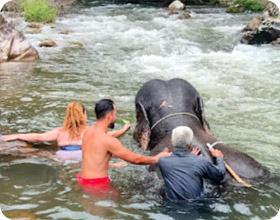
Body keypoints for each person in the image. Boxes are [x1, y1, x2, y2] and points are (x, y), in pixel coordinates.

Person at [77, 99, 171, 196]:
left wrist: (123, 130)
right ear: (109, 116)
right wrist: (157, 158)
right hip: (97, 186)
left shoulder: (88, 132)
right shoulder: (109, 141)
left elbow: (98, 149)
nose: (115, 117)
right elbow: (135, 159)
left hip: (82, 179)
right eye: (115, 114)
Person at [0, 102, 130, 163]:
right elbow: (109, 135)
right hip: (81, 157)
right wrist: (123, 130)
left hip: (61, 156)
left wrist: (14, 136)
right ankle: (113, 165)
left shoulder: (60, 131)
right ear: (83, 115)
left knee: (39, 152)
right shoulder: (90, 131)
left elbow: (38, 137)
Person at [158, 126, 226, 201]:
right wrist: (219, 157)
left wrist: (192, 157)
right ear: (190, 145)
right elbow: (220, 175)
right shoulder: (201, 161)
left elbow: (179, 164)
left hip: (171, 206)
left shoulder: (162, 161)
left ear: (171, 142)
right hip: (196, 206)